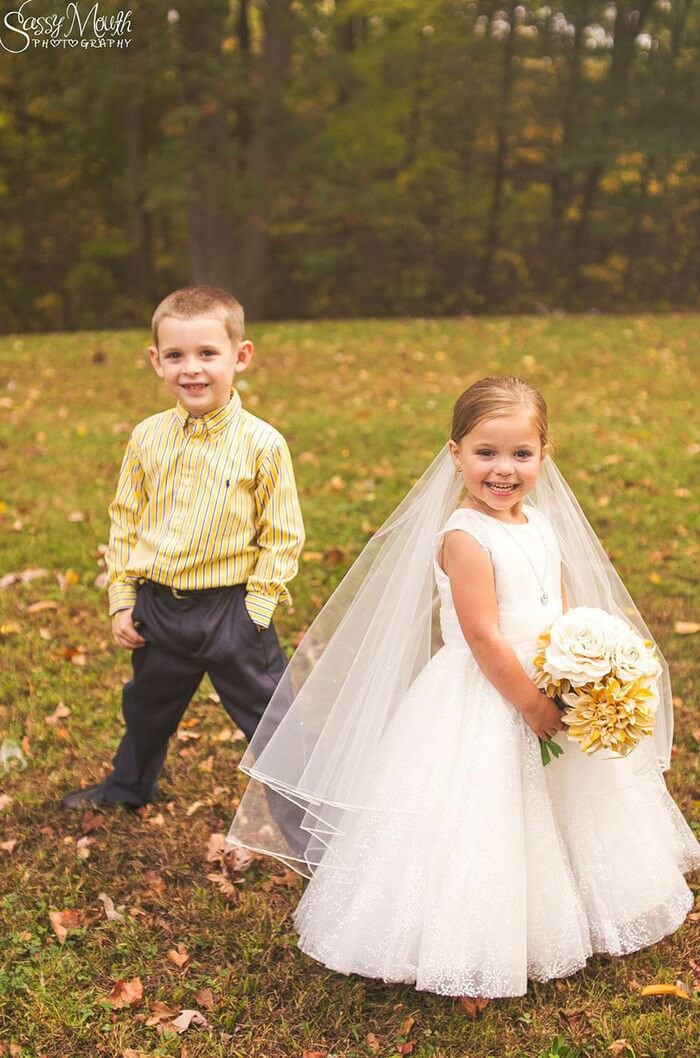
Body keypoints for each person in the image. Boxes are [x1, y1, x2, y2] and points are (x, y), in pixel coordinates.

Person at [227, 375, 700, 999]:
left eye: (520, 454)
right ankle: (474, 930)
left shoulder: (542, 523)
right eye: (486, 453)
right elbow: (481, 636)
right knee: (482, 812)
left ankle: (575, 905)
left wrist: (581, 668)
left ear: (543, 455)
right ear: (456, 455)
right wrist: (530, 702)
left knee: (568, 806)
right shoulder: (464, 536)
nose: (503, 469)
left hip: (549, 683)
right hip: (484, 693)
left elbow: (558, 606)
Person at [63, 285, 305, 810]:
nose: (191, 369)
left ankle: (312, 825)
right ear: (156, 361)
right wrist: (123, 596)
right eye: (175, 355)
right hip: (160, 608)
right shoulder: (147, 438)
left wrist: (256, 610)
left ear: (240, 357)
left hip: (232, 610)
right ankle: (127, 790)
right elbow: (126, 518)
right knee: (146, 708)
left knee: (272, 721)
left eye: (207, 354)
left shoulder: (262, 443)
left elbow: (283, 534)